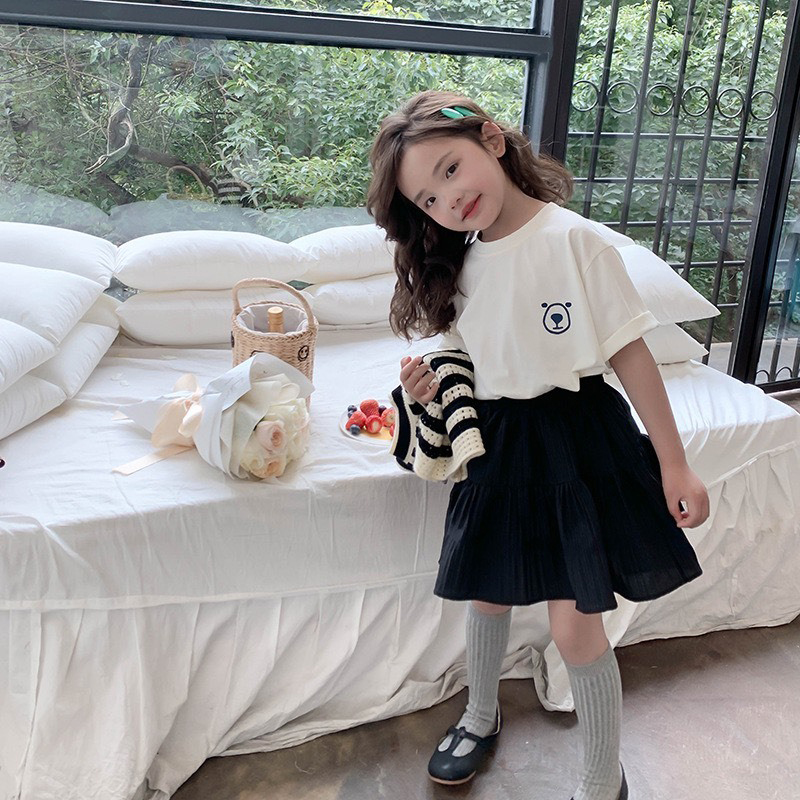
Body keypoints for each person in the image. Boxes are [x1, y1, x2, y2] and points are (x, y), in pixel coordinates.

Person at [366, 89, 709, 800]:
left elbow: (632, 356)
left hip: (581, 444)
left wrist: (674, 463)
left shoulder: (575, 241)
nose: (449, 199)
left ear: (492, 140)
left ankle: (601, 778)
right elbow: (469, 357)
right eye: (429, 199)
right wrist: (427, 387)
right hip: (499, 443)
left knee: (577, 629)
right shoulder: (461, 264)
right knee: (487, 595)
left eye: (451, 170)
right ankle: (480, 716)